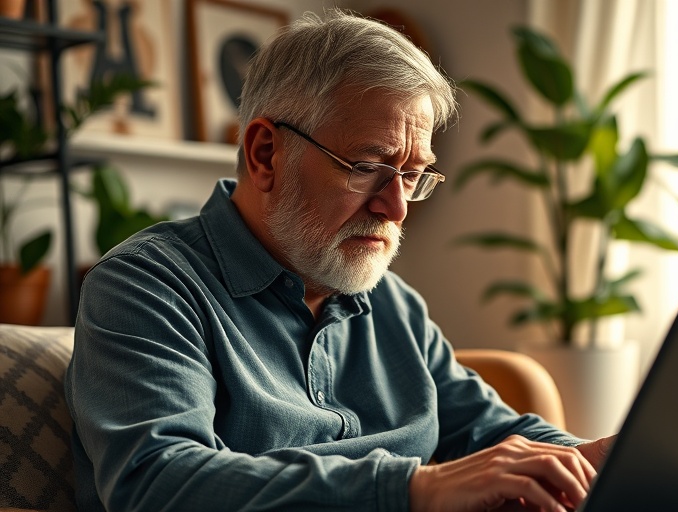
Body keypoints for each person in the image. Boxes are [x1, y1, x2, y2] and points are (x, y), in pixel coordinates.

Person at [65, 9, 614, 512]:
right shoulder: (144, 287)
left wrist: (597, 460)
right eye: (368, 165)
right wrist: (415, 489)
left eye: (412, 174)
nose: (396, 206)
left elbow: (488, 435)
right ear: (266, 154)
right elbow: (159, 481)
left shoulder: (394, 304)